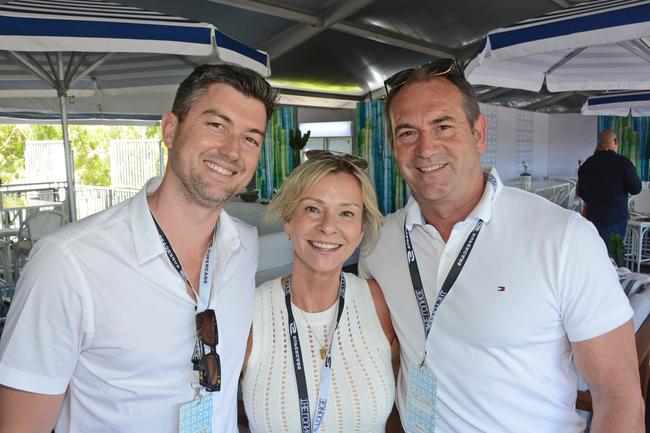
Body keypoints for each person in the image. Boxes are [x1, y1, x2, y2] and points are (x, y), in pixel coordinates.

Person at [359, 58, 644, 433]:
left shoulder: (563, 238)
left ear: (478, 134)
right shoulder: (379, 244)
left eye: (443, 126)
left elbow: (619, 400)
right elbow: (389, 365)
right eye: (407, 132)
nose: (426, 148)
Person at [0, 64, 276, 433]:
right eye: (216, 125)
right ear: (170, 130)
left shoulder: (244, 246)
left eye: (250, 139)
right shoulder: (68, 263)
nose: (231, 150)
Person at [241, 151, 397, 433]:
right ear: (289, 220)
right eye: (313, 209)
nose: (327, 226)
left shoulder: (380, 304)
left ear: (361, 230)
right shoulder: (249, 313)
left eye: (346, 213)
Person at [577, 130, 642, 253]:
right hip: (616, 218)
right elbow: (636, 189)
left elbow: (581, 192)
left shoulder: (587, 163)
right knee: (613, 257)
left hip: (592, 218)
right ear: (616, 141)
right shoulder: (623, 162)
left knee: (594, 253)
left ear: (599, 144)